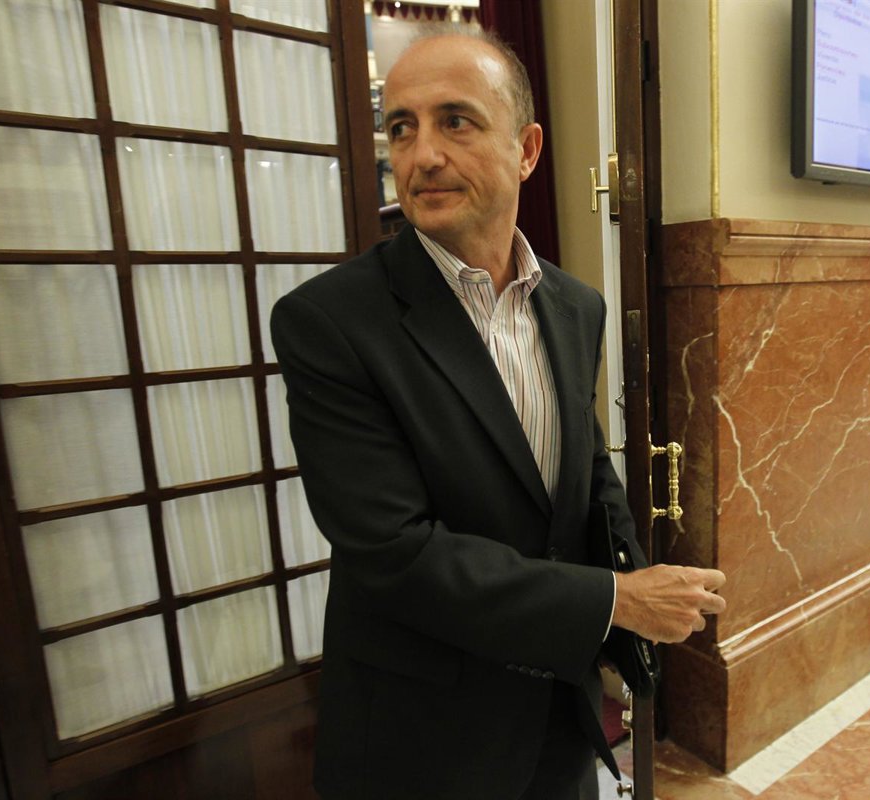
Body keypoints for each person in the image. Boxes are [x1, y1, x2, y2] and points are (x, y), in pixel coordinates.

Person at [271, 25, 726, 800]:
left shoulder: (575, 306)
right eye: (401, 127)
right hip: (422, 737)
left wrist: (633, 591)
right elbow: (395, 554)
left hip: (557, 715)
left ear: (527, 149)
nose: (422, 155)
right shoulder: (330, 323)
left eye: (455, 121)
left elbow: (585, 470)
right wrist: (615, 602)